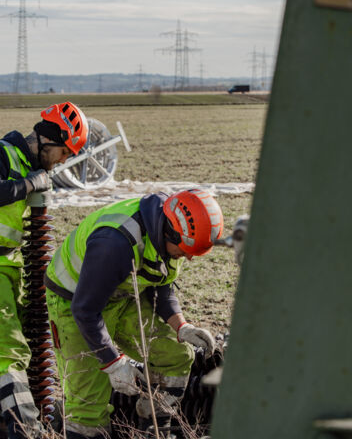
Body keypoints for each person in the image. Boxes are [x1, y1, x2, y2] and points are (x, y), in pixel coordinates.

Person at [44, 189, 224, 438]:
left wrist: (181, 326)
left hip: (122, 294)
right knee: (87, 405)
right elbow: (85, 311)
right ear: (169, 231)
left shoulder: (172, 232)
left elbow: (162, 283)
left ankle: (154, 428)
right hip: (74, 302)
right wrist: (113, 363)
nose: (188, 259)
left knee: (176, 356)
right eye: (184, 252)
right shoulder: (114, 243)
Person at [0, 102, 89, 438]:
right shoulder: (4, 156)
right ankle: (28, 429)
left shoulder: (26, 165)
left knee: (24, 340)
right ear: (45, 140)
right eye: (64, 152)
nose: (63, 161)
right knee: (8, 350)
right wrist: (27, 184)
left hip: (10, 267)